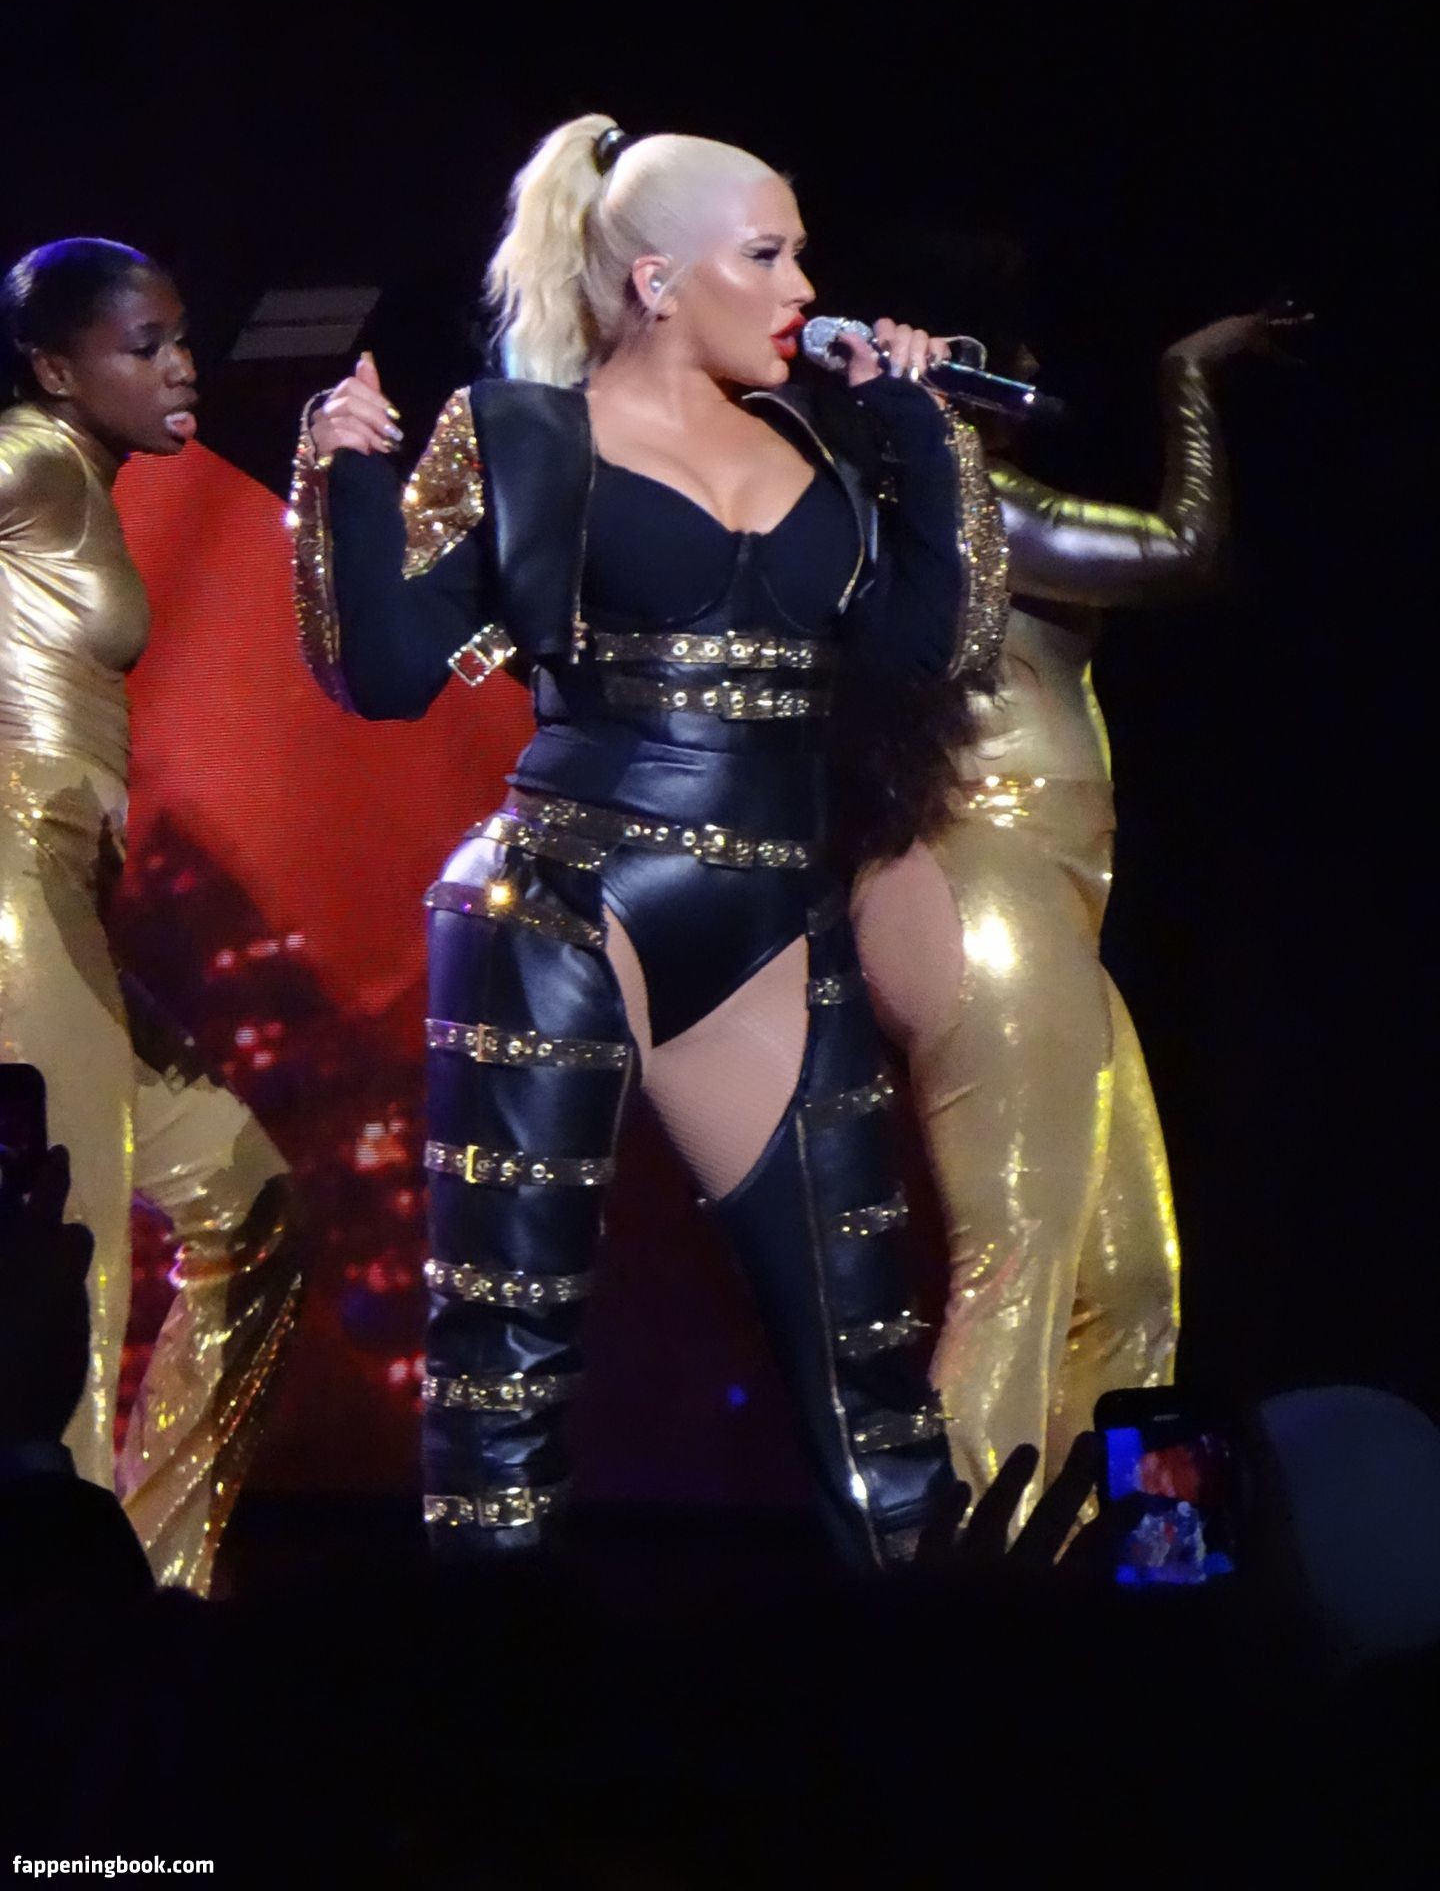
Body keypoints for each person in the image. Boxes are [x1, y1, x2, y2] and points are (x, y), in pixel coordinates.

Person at [289, 113, 978, 1566]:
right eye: (768, 255)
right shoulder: (522, 433)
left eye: (802, 255)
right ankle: (485, 1695)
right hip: (568, 901)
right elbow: (390, 672)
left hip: (772, 919)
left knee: (866, 1364)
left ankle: (949, 1685)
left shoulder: (822, 437)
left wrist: (918, 426)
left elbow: (924, 651)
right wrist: (343, 475)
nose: (805, 288)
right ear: (658, 282)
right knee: (509, 1355)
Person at [853, 253, 1279, 1514]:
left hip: (1052, 891)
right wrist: (1188, 381)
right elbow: (1182, 548)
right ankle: (964, 1592)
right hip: (978, 870)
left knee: (1134, 1281)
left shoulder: (970, 495)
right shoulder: (962, 499)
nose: (1034, 373)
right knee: (1019, 1261)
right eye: (1014, 351)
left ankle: (1141, 1569)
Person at [0, 238, 302, 1590]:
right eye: (144, 346)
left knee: (253, 1204)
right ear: (56, 370)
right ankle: (56, 1619)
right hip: (13, 878)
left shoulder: (79, 477)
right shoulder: (31, 454)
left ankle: (155, 1584)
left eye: (182, 339)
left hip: (62, 889)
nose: (182, 368)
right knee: (69, 1252)